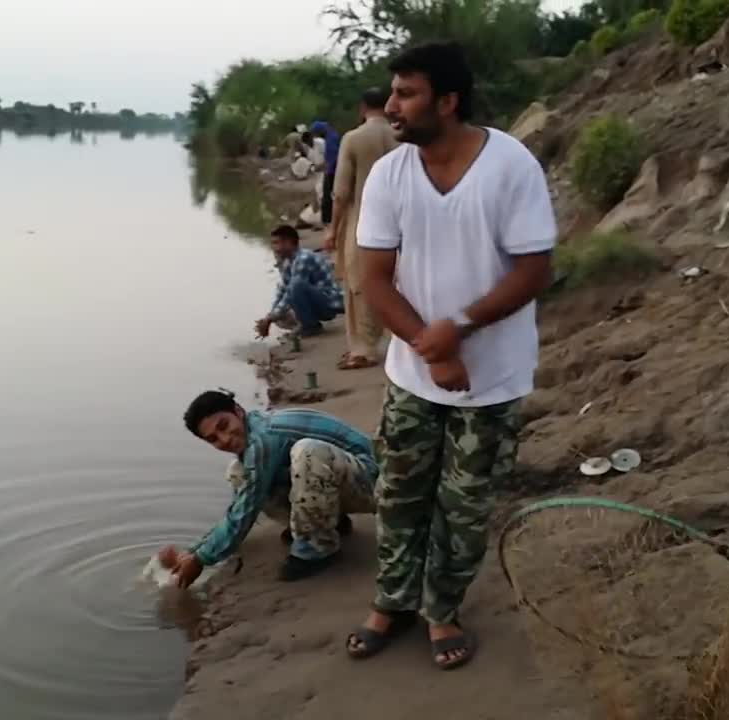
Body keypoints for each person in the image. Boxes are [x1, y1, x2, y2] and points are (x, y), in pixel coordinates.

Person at [345, 41, 557, 669]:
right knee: (401, 495)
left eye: (406, 93)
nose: (391, 105)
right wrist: (430, 349)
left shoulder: (510, 166)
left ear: (448, 100)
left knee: (463, 508)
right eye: (392, 91)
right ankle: (391, 601)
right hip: (413, 375)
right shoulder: (390, 173)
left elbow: (535, 269)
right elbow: (376, 279)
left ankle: (441, 610)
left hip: (492, 380)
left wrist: (459, 328)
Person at [157, 389, 378, 584]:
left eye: (224, 426)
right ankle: (329, 524)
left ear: (238, 411)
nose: (224, 439)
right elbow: (239, 507)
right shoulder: (253, 436)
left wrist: (200, 560)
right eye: (213, 439)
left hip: (377, 484)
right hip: (342, 481)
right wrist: (192, 551)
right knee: (238, 472)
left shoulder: (263, 437)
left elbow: (246, 509)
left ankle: (317, 549)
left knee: (306, 452)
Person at [325, 87, 398, 371]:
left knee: (359, 285)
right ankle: (401, 341)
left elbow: (341, 191)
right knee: (398, 282)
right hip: (399, 217)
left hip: (363, 218)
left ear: (362, 108)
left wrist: (333, 229)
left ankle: (363, 348)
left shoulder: (353, 139)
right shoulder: (401, 135)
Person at [254, 224, 343, 339]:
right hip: (316, 301)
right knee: (279, 312)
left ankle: (311, 327)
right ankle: (304, 324)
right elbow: (282, 292)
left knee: (296, 285)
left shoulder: (303, 258)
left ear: (288, 242)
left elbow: (291, 291)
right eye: (273, 243)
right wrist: (269, 318)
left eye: (276, 243)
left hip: (329, 304)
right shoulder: (288, 262)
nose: (274, 248)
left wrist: (270, 318)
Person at [309, 120, 341, 225]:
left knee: (327, 196)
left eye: (316, 133)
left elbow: (333, 158)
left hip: (332, 171)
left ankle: (327, 220)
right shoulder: (332, 136)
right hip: (334, 170)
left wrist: (327, 169)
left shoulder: (331, 140)